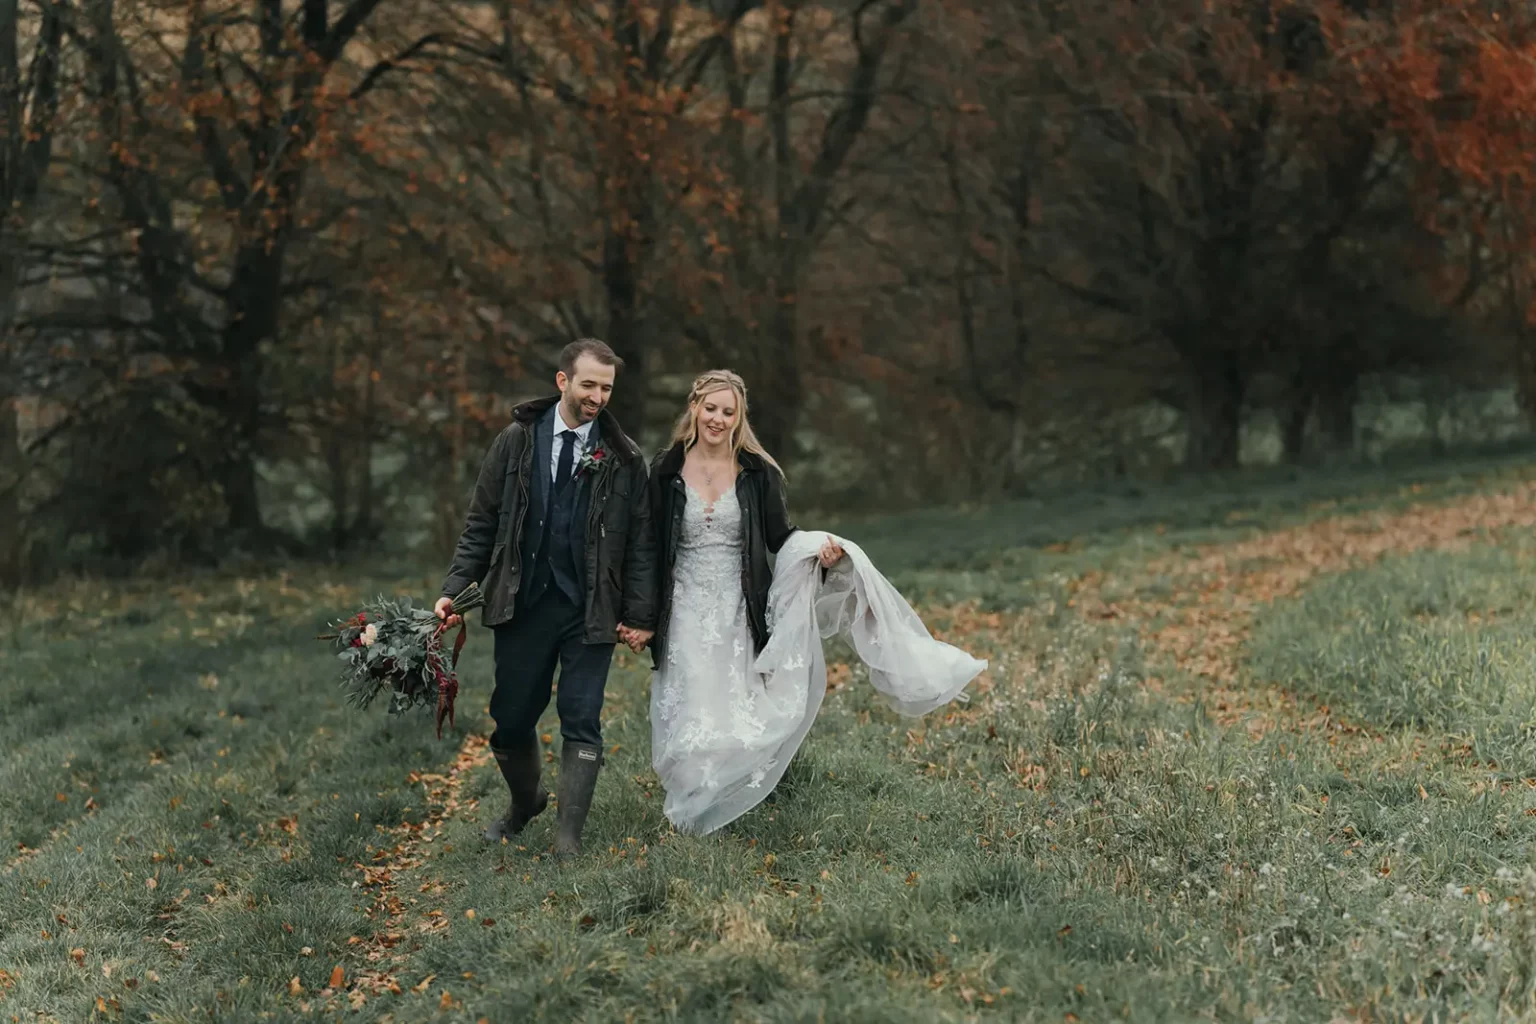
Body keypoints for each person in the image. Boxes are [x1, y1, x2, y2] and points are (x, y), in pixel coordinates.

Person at [623, 370, 983, 834]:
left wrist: (821, 551)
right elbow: (648, 547)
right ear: (694, 407)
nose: (717, 418)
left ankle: (714, 805)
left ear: (739, 418)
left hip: (738, 606)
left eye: (728, 412)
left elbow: (781, 536)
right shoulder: (665, 471)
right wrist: (639, 615)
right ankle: (688, 809)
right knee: (691, 701)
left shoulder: (756, 472)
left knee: (731, 705)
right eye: (710, 408)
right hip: (685, 607)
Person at [436, 338, 656, 859]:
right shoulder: (515, 442)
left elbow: (642, 544)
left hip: (591, 609)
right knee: (511, 718)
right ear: (563, 382)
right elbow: (481, 525)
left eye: (606, 388)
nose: (597, 397)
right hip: (523, 602)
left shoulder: (624, 458)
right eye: (588, 385)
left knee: (581, 716)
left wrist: (642, 614)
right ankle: (525, 803)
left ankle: (567, 838)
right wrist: (453, 592)